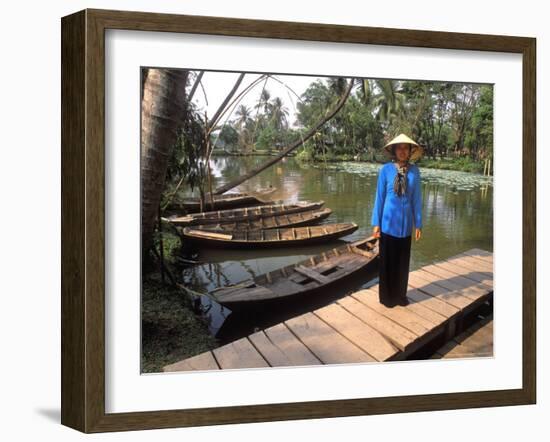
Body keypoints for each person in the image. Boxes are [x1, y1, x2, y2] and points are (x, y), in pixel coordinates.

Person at [371, 133, 424, 308]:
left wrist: (418, 223)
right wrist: (376, 223)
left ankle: (400, 296)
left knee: (402, 264)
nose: (402, 151)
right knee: (387, 263)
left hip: (406, 226)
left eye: (405, 148)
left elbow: (416, 199)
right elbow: (379, 197)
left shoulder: (414, 172)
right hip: (387, 224)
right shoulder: (386, 170)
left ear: (410, 151)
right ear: (394, 150)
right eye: (399, 147)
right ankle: (387, 297)